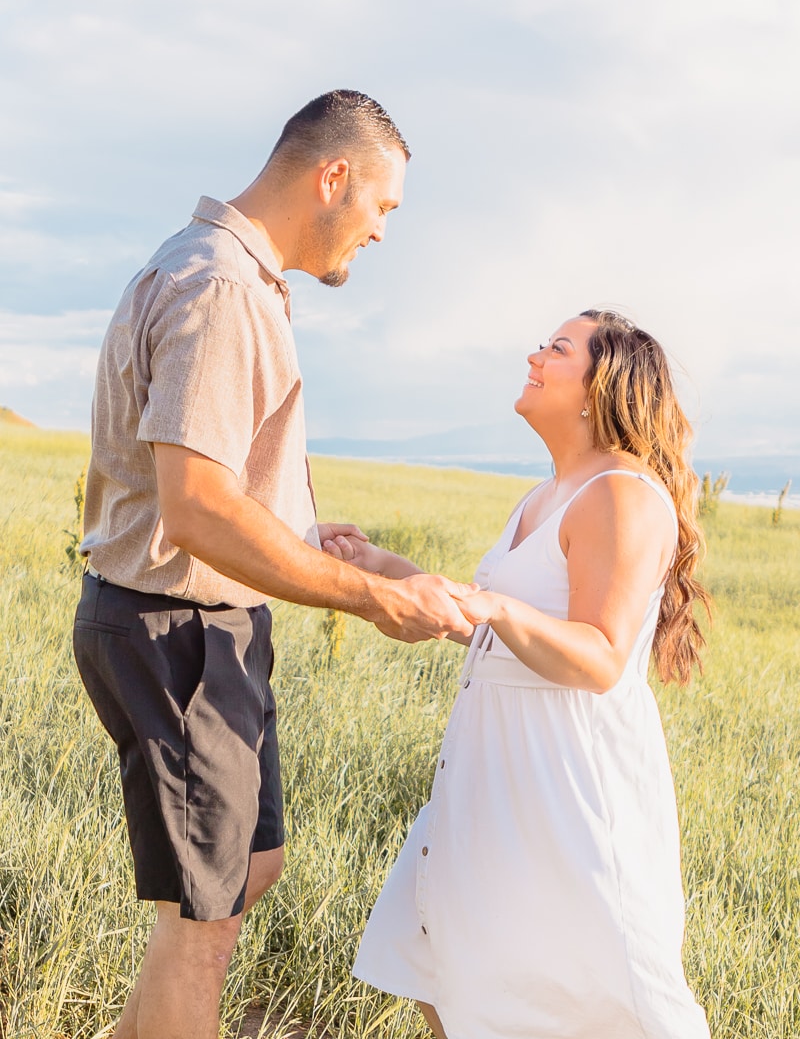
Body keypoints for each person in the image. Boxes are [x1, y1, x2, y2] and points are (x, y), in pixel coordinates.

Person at [72, 89, 473, 1039]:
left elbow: (224, 490)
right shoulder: (221, 288)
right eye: (383, 208)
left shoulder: (232, 278)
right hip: (177, 631)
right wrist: (369, 596)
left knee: (250, 870)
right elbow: (198, 508)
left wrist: (303, 532)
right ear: (334, 178)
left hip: (213, 631)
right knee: (202, 934)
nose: (380, 233)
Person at [328, 309, 712, 1039]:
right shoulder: (546, 494)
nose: (534, 355)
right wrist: (382, 569)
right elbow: (497, 628)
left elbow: (599, 655)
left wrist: (497, 607)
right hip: (491, 774)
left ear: (600, 386)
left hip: (567, 783)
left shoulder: (621, 496)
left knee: (607, 994)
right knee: (439, 956)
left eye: (558, 348)